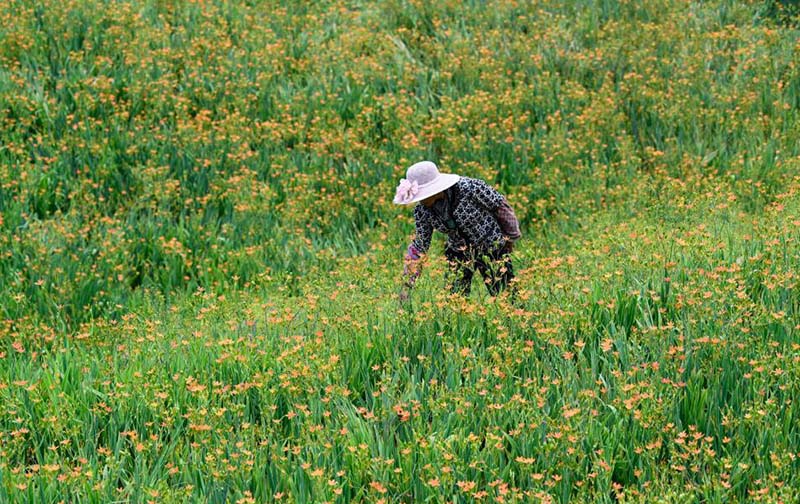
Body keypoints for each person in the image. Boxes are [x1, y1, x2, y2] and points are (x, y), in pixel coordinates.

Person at [394, 160, 521, 302]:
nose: (419, 201)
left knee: (506, 296)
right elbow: (420, 245)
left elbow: (500, 206)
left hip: (490, 246)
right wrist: (407, 285)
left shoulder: (470, 188)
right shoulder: (422, 211)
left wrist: (510, 239)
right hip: (458, 251)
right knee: (454, 300)